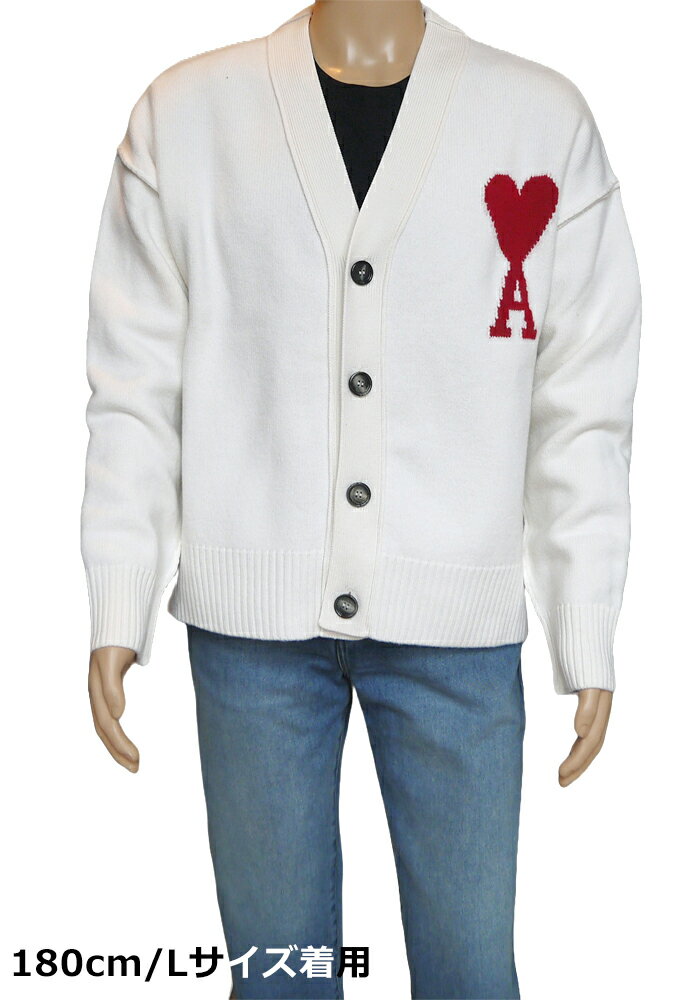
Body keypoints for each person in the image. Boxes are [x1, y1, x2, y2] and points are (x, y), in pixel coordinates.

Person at [81, 3, 642, 997]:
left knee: (470, 975)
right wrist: (117, 601)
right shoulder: (185, 116)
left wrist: (584, 622)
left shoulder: (540, 121)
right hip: (249, 638)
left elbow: (581, 407)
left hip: (459, 636)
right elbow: (133, 392)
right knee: (277, 977)